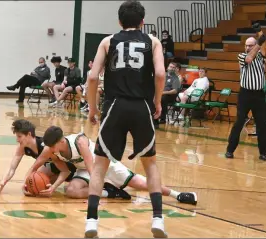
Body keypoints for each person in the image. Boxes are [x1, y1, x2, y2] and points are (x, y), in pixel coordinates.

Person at [86, 1, 167, 238]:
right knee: (150, 164)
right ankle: (158, 219)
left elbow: (92, 77)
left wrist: (92, 108)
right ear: (143, 21)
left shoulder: (107, 41)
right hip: (141, 105)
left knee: (100, 165)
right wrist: (158, 101)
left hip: (114, 106)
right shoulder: (152, 42)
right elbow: (160, 74)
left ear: (119, 21)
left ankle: (91, 221)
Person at [23, 126, 130, 199]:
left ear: (61, 141)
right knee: (68, 190)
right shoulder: (50, 148)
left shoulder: (79, 143)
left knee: (140, 184)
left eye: (52, 146)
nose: (50, 148)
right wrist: (26, 183)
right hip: (78, 169)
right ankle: (109, 191)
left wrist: (94, 196)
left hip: (97, 164)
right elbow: (34, 167)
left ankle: (105, 189)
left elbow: (91, 170)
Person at [225, 23, 266, 161]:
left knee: (262, 124)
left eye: (251, 45)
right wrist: (258, 43)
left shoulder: (262, 56)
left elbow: (264, 43)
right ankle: (230, 150)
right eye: (246, 45)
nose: (248, 47)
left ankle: (263, 152)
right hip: (245, 94)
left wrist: (259, 31)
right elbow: (249, 58)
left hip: (258, 95)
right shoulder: (242, 56)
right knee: (239, 122)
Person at [0, 120, 76, 194]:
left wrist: (25, 183)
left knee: (35, 178)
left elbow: (34, 167)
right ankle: (63, 182)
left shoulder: (46, 146)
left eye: (19, 136)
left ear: (29, 134)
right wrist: (4, 181)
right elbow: (12, 168)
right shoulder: (22, 147)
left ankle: (74, 181)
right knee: (35, 181)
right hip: (54, 166)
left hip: (68, 167)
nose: (17, 140)